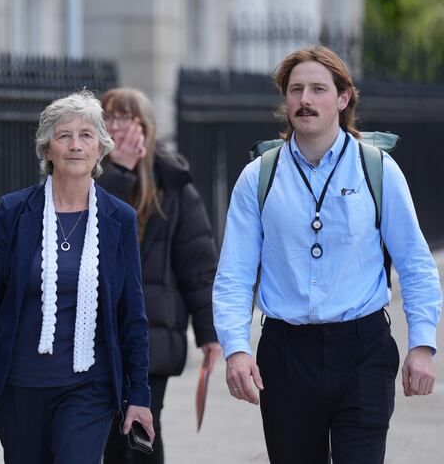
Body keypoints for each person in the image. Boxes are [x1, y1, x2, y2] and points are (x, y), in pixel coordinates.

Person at [213, 46, 442, 463]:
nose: (305, 100)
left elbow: (415, 262)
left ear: (343, 98)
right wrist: (235, 348)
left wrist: (422, 344)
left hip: (363, 349)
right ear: (285, 101)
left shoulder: (377, 169)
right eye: (296, 89)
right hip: (285, 353)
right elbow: (234, 273)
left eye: (318, 89)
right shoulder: (258, 176)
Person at [0, 90, 154, 464]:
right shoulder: (14, 211)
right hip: (19, 387)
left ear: (100, 150)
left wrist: (139, 394)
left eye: (86, 135)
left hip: (89, 387)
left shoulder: (118, 219)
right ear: (47, 150)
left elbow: (132, 315)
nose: (75, 145)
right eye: (64, 136)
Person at [97, 88, 221, 464]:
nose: (116, 127)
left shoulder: (174, 187)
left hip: (152, 333)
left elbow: (197, 267)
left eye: (125, 118)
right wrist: (116, 172)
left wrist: (210, 335)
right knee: (104, 433)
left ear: (145, 128)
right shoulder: (88, 177)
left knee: (142, 429)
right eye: (109, 118)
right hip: (97, 332)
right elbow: (89, 227)